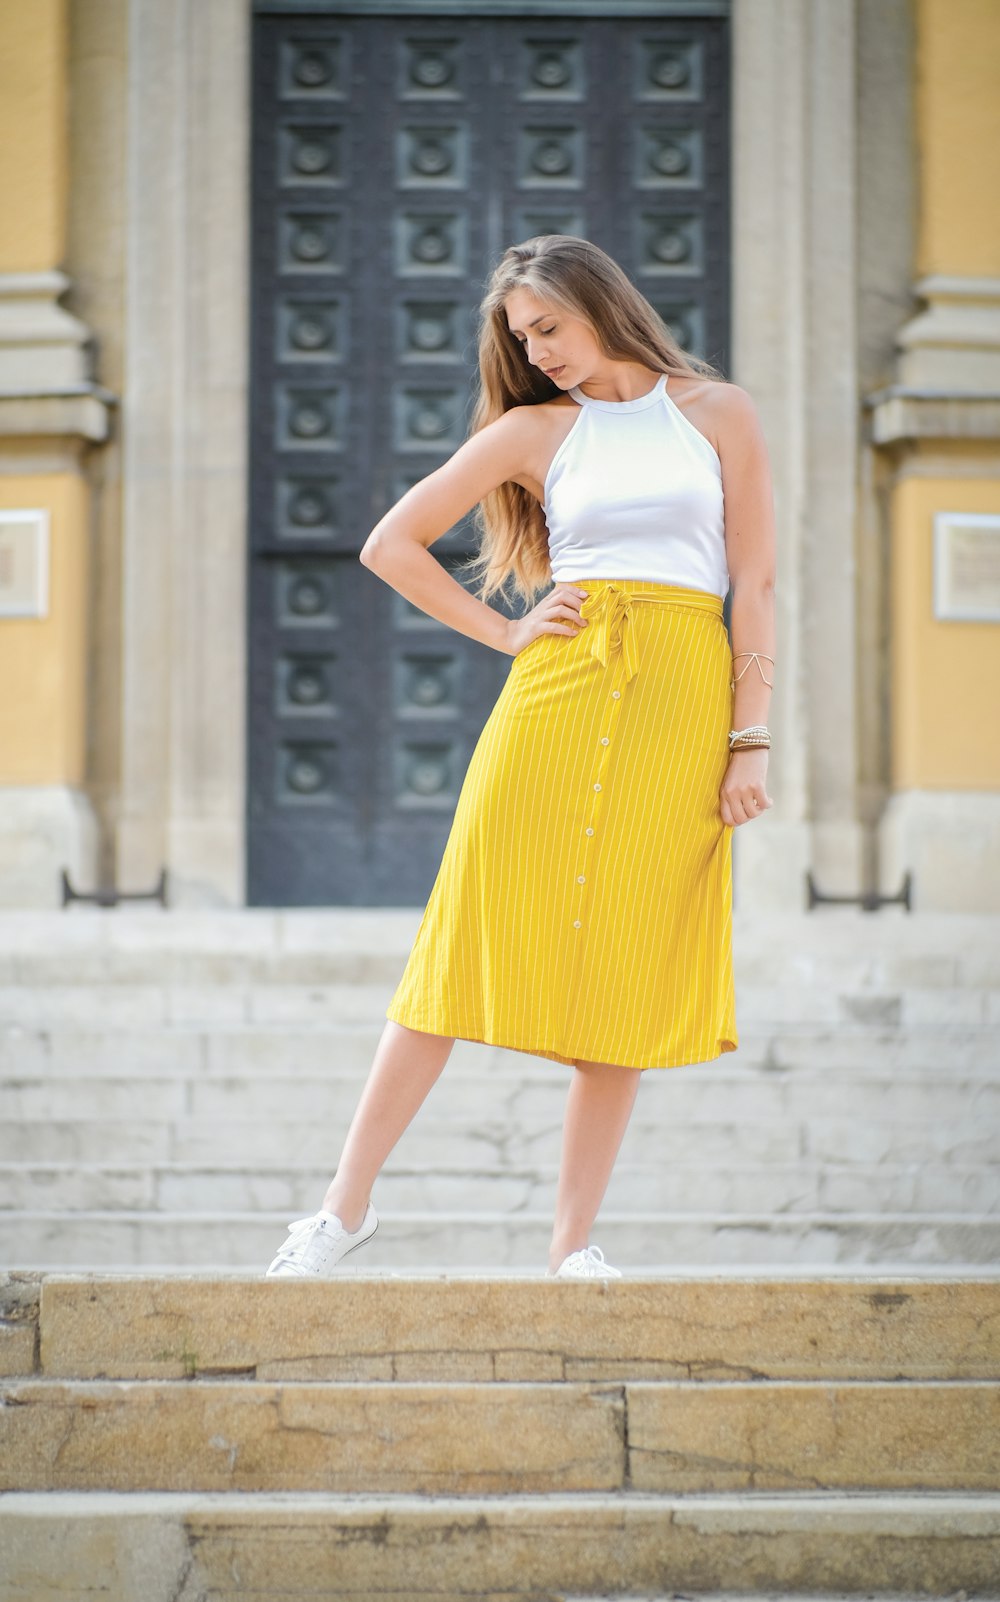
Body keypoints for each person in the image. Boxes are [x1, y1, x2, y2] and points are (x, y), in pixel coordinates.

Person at [266, 234, 775, 1281]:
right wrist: (504, 633)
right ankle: (341, 1210)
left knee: (625, 970)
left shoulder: (719, 414)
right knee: (454, 950)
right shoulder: (532, 431)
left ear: (601, 303)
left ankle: (571, 1243)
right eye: (520, 337)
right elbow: (389, 544)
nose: (536, 350)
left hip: (679, 710)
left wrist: (747, 739)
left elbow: (756, 584)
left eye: (548, 327)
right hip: (555, 698)